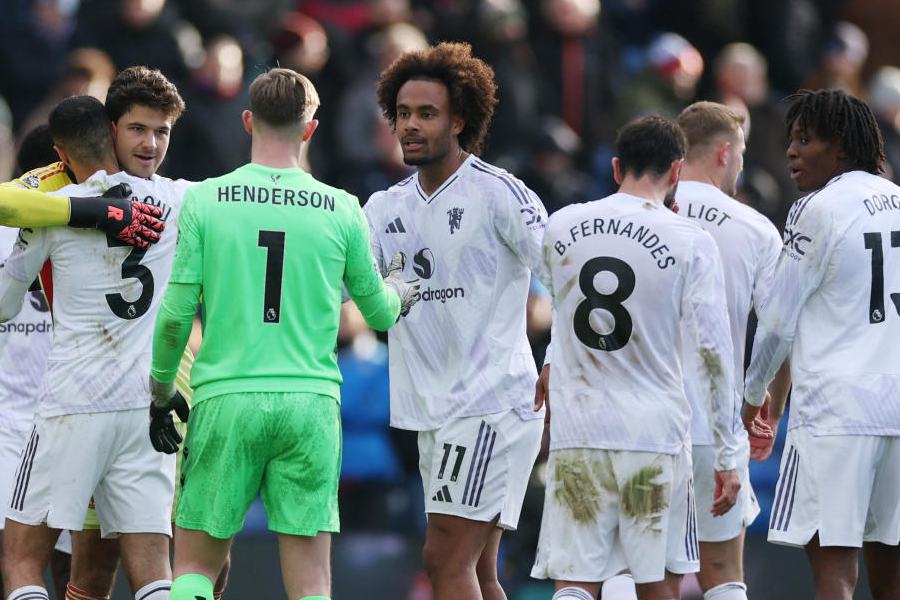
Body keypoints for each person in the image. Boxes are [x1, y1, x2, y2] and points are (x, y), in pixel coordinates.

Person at [147, 67, 420, 600]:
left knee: (196, 568)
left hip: (227, 396)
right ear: (310, 130)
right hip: (310, 401)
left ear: (248, 122)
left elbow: (177, 313)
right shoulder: (342, 207)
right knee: (311, 581)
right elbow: (381, 314)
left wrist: (161, 390)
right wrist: (401, 291)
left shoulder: (206, 199)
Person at [530, 115, 745, 600]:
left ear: (614, 167)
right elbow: (714, 354)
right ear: (676, 171)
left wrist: (549, 363)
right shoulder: (691, 241)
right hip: (654, 435)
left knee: (575, 582)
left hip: (580, 430)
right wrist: (727, 455)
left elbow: (562, 312)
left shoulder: (563, 224)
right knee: (656, 584)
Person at [366, 41, 548, 600]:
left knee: (443, 562)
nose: (411, 126)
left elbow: (570, 280)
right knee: (477, 572)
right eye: (403, 114)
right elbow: (356, 298)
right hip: (432, 412)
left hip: (491, 404)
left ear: (460, 119)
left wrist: (560, 360)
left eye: (427, 113)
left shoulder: (501, 195)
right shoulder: (382, 209)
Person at [0, 90, 187, 600]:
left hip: (71, 402)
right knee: (153, 570)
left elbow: (2, 303)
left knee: (20, 558)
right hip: (144, 403)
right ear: (113, 133)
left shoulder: (51, 208)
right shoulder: (174, 199)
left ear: (61, 155)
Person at [742, 89, 900, 600]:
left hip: (836, 413)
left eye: (805, 139)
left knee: (834, 568)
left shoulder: (818, 208)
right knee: (892, 565)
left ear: (841, 149)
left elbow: (778, 320)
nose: (791, 150)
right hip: (896, 409)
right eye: (791, 139)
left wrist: (753, 395)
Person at [674, 101, 788, 600]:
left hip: (641, 418)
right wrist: (763, 404)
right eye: (740, 153)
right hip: (715, 422)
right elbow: (780, 329)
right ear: (725, 152)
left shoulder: (637, 214)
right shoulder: (756, 229)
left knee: (636, 567)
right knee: (722, 567)